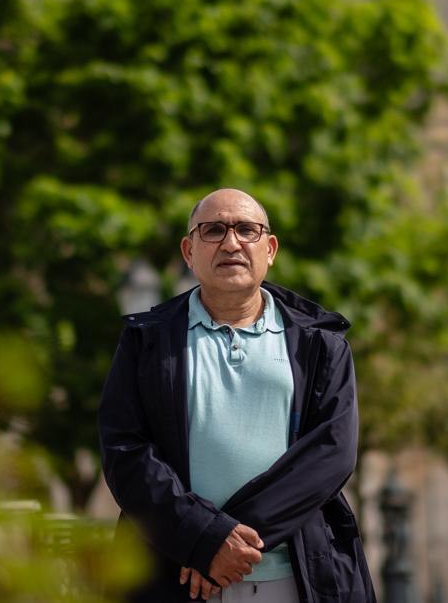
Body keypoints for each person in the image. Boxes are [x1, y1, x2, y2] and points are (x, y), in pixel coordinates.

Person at [98, 188, 375, 602]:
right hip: (175, 579)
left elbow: (332, 453)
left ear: (270, 248)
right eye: (213, 231)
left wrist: (216, 545)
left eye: (247, 229)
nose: (231, 243)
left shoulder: (320, 343)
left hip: (297, 579)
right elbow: (125, 452)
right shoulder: (146, 341)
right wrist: (203, 540)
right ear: (189, 251)